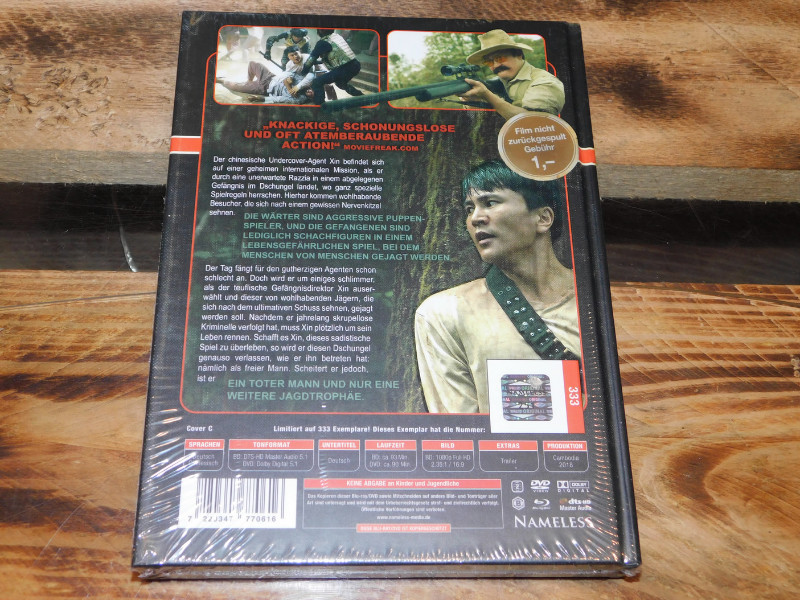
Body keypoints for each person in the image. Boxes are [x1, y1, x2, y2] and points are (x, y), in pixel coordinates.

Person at [414, 160, 580, 413]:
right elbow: (460, 429)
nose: (475, 218)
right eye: (469, 208)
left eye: (490, 203)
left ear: (543, 218)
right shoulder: (445, 313)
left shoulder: (594, 304)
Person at [460, 29, 565, 120]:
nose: (496, 65)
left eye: (500, 58)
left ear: (519, 54)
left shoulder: (544, 81)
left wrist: (487, 95)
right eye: (489, 62)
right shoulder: (497, 82)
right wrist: (473, 102)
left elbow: (533, 122)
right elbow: (478, 119)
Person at [301, 29, 364, 103]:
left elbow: (310, 60)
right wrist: (318, 62)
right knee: (341, 84)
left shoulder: (322, 42)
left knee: (317, 82)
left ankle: (320, 105)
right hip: (355, 64)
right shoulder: (337, 37)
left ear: (320, 31)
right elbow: (336, 55)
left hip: (345, 68)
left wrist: (303, 72)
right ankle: (362, 97)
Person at [216, 58, 314, 104]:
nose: (310, 91)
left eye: (312, 94)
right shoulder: (305, 81)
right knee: (253, 63)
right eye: (312, 90)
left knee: (235, 87)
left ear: (311, 98)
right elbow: (287, 77)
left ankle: (221, 80)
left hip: (264, 88)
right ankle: (249, 82)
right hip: (270, 77)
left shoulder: (300, 99)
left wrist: (261, 99)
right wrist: (289, 82)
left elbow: (279, 99)